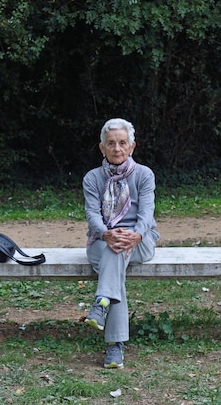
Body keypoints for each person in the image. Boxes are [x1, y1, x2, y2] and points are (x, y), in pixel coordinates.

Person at [82, 118, 160, 369]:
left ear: (132, 147)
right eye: (111, 143)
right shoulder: (92, 178)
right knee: (113, 255)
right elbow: (92, 214)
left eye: (122, 143)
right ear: (102, 148)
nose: (117, 148)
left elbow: (147, 213)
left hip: (142, 240)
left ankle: (102, 308)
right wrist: (107, 233)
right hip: (101, 241)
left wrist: (135, 235)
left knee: (115, 254)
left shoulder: (144, 175)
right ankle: (115, 344)